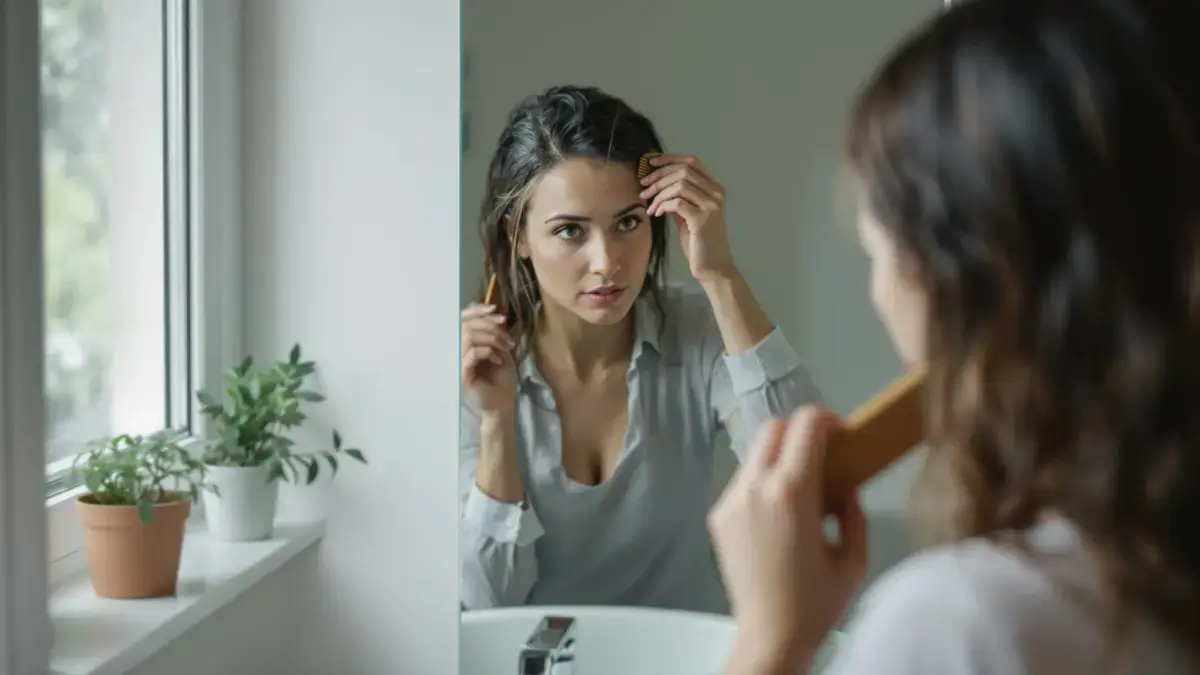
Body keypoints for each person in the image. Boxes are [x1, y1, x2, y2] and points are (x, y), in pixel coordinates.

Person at [711, 0, 1200, 673]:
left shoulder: (962, 622)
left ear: (958, 279)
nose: (878, 292)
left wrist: (770, 636)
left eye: (873, 250)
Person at [459, 85, 823, 612]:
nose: (606, 262)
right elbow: (489, 603)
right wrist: (497, 422)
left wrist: (720, 274)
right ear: (518, 236)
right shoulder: (476, 370)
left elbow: (807, 477)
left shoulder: (695, 331)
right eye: (569, 231)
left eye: (628, 222)